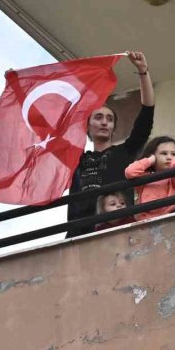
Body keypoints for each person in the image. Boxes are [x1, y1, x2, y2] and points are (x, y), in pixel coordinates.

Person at [66, 50, 154, 237]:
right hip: (79, 235)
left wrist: (143, 73)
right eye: (98, 117)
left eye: (109, 119)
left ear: (114, 128)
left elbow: (146, 115)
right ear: (87, 127)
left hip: (117, 232)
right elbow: (47, 130)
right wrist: (20, 91)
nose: (104, 122)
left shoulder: (125, 153)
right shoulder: (75, 161)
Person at [124, 136, 175, 222]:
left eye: (173, 154)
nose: (169, 157)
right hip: (145, 220)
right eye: (164, 153)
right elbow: (130, 172)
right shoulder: (145, 176)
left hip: (169, 218)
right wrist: (150, 160)